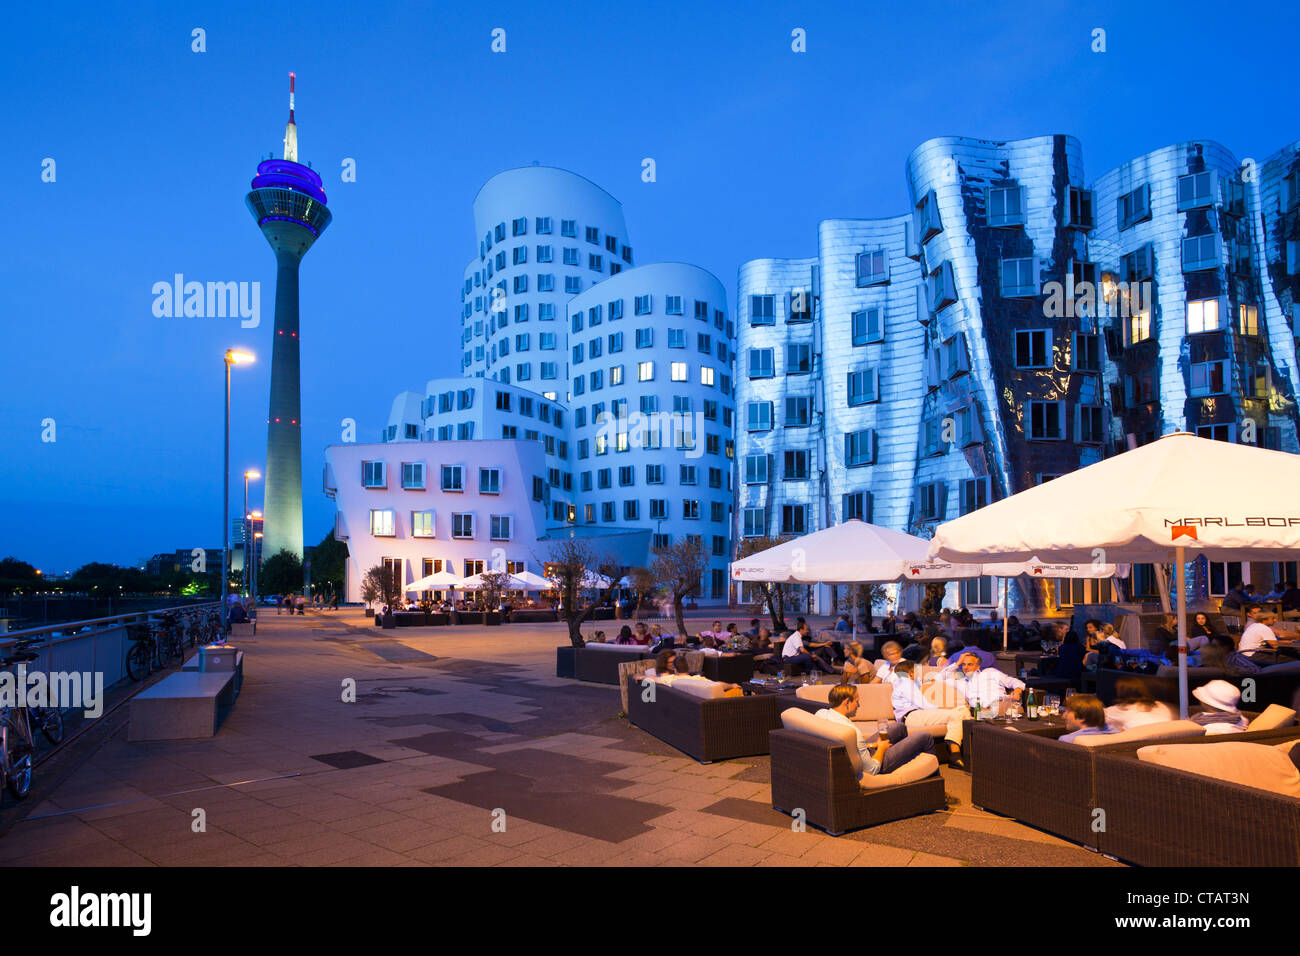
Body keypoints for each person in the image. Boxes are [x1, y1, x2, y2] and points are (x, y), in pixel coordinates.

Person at [814, 684, 937, 777]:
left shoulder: (821, 713)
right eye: (857, 701)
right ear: (846, 702)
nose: (859, 705)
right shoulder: (852, 731)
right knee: (925, 737)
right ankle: (934, 781)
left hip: (853, 754)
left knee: (897, 727)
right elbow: (872, 770)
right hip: (875, 765)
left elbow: (850, 746)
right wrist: (882, 748)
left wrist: (873, 745)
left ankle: (906, 761)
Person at [889, 661, 968, 769]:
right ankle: (955, 755)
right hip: (912, 716)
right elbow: (923, 704)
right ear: (911, 673)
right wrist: (943, 709)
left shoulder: (906, 683)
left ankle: (961, 753)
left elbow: (936, 678)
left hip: (917, 715)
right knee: (956, 715)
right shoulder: (905, 682)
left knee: (962, 712)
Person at [951, 652, 1025, 713]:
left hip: (1002, 705)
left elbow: (1013, 681)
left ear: (978, 666)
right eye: (963, 664)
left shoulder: (990, 672)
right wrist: (957, 663)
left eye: (970, 664)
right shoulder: (960, 682)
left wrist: (1017, 691)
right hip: (980, 712)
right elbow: (940, 677)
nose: (965, 667)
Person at [1104, 677, 1176, 731]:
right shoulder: (1163, 705)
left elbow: (1096, 717)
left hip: (1140, 745)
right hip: (1171, 742)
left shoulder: (1119, 710)